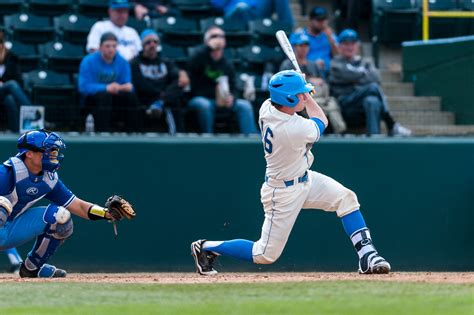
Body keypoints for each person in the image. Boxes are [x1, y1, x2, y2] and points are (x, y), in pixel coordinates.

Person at [191, 70, 391, 275]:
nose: (304, 96)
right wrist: (308, 95)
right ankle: (206, 247)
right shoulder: (293, 128)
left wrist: (298, 85)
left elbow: (284, 95)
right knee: (265, 254)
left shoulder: (267, 106)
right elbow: (322, 119)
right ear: (287, 98)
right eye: (299, 94)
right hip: (282, 192)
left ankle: (367, 255)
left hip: (305, 178)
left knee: (346, 198)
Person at [0, 129, 134, 278]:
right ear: (29, 153)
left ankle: (31, 268)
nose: (52, 155)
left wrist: (106, 213)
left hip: (11, 229)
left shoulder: (48, 179)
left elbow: (79, 206)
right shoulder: (6, 173)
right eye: (48, 150)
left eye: (54, 151)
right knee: (2, 205)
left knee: (60, 217)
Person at [329, 29, 411, 136]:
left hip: (362, 105)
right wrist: (362, 77)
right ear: (339, 46)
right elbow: (347, 75)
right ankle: (390, 123)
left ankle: (374, 139)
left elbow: (376, 77)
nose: (350, 47)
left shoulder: (366, 62)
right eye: (346, 43)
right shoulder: (335, 63)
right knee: (372, 87)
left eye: (352, 43)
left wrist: (355, 79)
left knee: (372, 101)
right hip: (344, 104)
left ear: (357, 45)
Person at [187, 26, 258, 135]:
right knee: (204, 105)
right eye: (214, 36)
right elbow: (191, 64)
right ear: (206, 41)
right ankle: (208, 139)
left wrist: (232, 98)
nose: (218, 39)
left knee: (244, 105)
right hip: (201, 98)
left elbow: (234, 86)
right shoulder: (199, 56)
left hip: (222, 100)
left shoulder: (227, 64)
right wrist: (208, 48)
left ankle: (251, 140)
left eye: (221, 36)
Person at [280, 32, 346, 134]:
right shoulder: (287, 65)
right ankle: (318, 135)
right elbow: (286, 86)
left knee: (332, 103)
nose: (303, 48)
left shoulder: (313, 65)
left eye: (306, 45)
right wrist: (310, 80)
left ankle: (339, 134)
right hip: (300, 99)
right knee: (319, 107)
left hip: (318, 96)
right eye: (300, 45)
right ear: (294, 47)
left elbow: (323, 83)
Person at [79, 32, 142, 132]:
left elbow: (128, 85)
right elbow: (84, 87)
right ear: (100, 47)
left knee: (131, 97)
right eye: (107, 46)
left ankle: (132, 132)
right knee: (105, 96)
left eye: (114, 46)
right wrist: (106, 88)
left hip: (116, 96)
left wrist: (121, 87)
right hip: (93, 98)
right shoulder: (88, 61)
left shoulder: (122, 62)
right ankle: (103, 132)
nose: (111, 49)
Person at [130, 29, 190, 134]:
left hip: (164, 99)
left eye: (155, 42)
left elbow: (177, 78)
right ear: (142, 45)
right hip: (145, 97)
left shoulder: (166, 61)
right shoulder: (135, 63)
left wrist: (182, 74)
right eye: (148, 42)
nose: (152, 45)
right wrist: (160, 95)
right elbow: (140, 84)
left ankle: (179, 136)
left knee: (179, 86)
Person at [0, 31, 32, 132]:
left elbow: (18, 79)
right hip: (6, 88)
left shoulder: (11, 59)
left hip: (4, 92)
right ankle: (33, 113)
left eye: (0, 42)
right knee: (12, 84)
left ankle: (15, 132)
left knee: (10, 99)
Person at [301, 7, 339, 76]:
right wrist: (313, 64)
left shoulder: (330, 35)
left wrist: (330, 39)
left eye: (324, 19)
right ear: (310, 20)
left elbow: (338, 56)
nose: (322, 22)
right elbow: (297, 58)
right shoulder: (301, 35)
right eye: (318, 20)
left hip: (328, 74)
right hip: (308, 73)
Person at [210, 0, 294, 29]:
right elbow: (217, 4)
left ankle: (287, 32)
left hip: (257, 16)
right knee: (241, 8)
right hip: (232, 17)